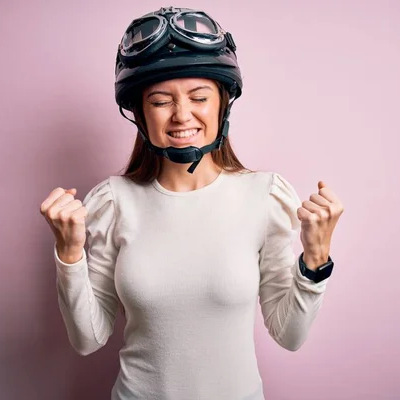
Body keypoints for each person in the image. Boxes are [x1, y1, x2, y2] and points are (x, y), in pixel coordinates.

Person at [39, 6, 344, 400]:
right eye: (161, 101)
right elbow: (87, 339)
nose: (182, 115)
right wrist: (69, 253)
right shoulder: (113, 202)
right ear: (140, 114)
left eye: (199, 97)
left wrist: (316, 259)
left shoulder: (264, 196)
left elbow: (289, 335)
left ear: (222, 103)